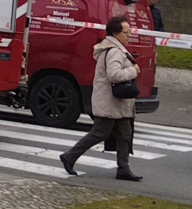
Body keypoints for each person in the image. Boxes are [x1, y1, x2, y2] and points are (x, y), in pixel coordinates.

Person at [60, 15, 142, 181]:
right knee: (99, 133)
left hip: (118, 104)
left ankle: (123, 169)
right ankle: (69, 156)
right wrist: (134, 71)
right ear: (115, 33)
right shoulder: (114, 52)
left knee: (125, 134)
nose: (129, 35)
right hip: (109, 102)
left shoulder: (116, 49)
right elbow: (114, 75)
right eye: (126, 32)